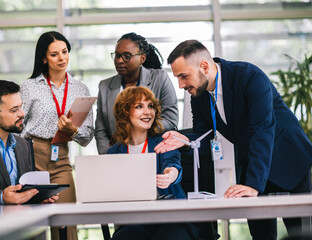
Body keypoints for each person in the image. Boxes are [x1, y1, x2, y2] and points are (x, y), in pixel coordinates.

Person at [154, 40, 312, 239]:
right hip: (253, 161)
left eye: (184, 76)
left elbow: (262, 130)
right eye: (178, 78)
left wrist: (253, 185)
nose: (181, 85)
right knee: (260, 232)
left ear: (204, 66)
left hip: (288, 158)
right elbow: (204, 137)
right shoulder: (199, 95)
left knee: (300, 232)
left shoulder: (249, 76)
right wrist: (185, 139)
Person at [20, 31, 94, 240]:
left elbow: (87, 136)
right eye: (54, 54)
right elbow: (18, 125)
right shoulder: (30, 87)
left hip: (61, 156)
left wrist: (73, 131)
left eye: (64, 52)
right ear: (44, 58)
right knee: (33, 222)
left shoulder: (80, 88)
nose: (62, 58)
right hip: (31, 156)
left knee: (67, 220)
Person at [108, 86, 207, 240]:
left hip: (173, 217)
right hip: (136, 220)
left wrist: (170, 174)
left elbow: (172, 163)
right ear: (125, 112)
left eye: (151, 106)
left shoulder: (164, 141)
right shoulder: (114, 151)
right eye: (139, 106)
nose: (148, 112)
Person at [95, 32, 179, 154]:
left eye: (126, 56)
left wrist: (139, 128)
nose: (119, 61)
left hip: (154, 152)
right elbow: (101, 131)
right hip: (118, 156)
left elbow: (171, 121)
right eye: (117, 55)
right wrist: (108, 158)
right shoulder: (105, 86)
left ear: (142, 58)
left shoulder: (159, 78)